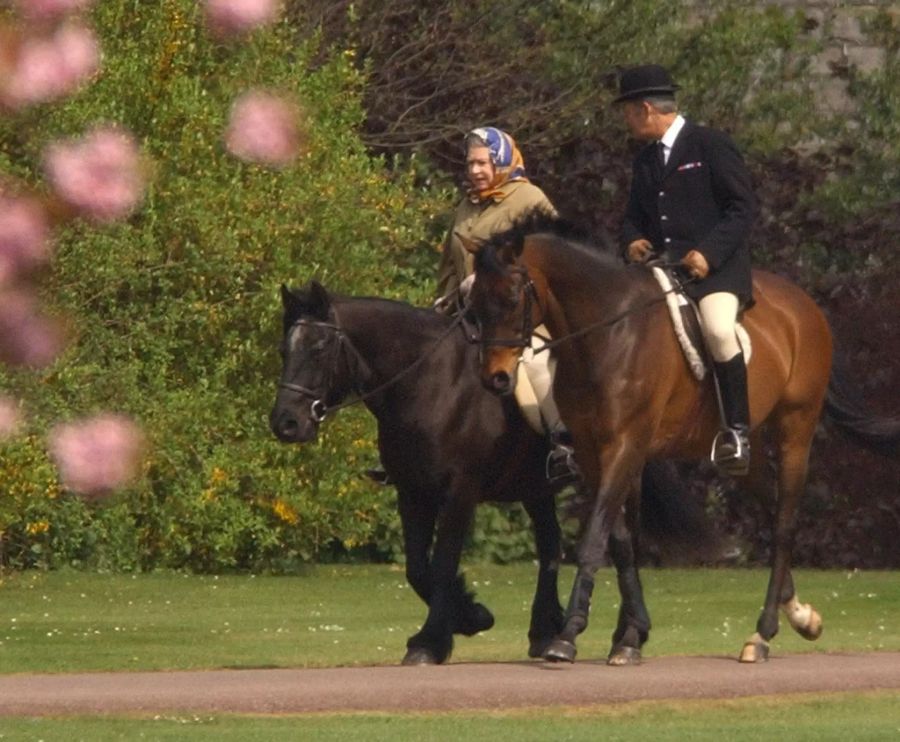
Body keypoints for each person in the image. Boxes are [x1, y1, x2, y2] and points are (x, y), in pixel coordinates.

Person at [615, 64, 758, 475]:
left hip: (715, 272)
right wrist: (631, 241)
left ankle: (736, 431)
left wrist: (708, 254)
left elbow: (742, 207)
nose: (626, 120)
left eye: (627, 111)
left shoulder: (710, 144)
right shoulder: (644, 161)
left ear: (645, 108)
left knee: (716, 329)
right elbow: (631, 217)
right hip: (663, 272)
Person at [435, 126, 578, 485]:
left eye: (483, 163)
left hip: (518, 318)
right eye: (470, 164)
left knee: (532, 366)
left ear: (501, 160)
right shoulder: (465, 207)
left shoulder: (530, 199)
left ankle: (563, 444)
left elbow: (556, 257)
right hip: (466, 316)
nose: (475, 171)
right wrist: (445, 298)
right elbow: (449, 265)